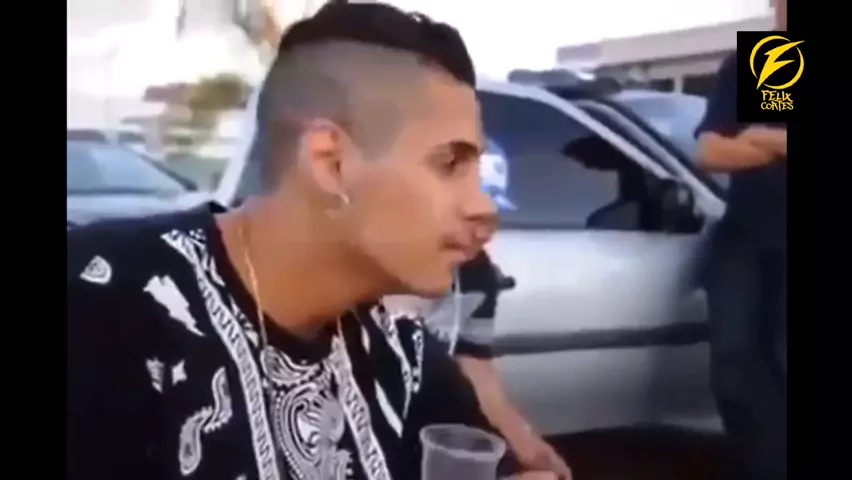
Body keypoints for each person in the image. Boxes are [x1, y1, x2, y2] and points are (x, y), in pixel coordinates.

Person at [67, 2, 556, 479]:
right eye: (449, 164)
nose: (484, 208)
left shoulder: (406, 363)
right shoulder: (102, 301)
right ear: (330, 163)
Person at [694, 1, 788, 479]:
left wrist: (762, 137)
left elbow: (742, 142)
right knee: (733, 370)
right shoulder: (767, 64)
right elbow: (710, 151)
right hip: (745, 240)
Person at [395, 251, 573, 479]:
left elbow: (474, 362)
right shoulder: (367, 299)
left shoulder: (475, 272)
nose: (483, 233)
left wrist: (526, 442)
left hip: (441, 445)